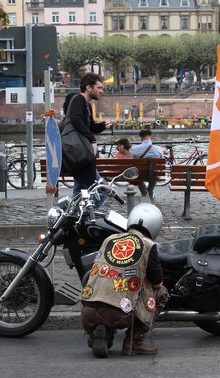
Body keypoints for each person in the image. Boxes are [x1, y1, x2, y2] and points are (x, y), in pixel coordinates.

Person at [80, 203, 168, 358]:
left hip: (88, 310)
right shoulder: (148, 245)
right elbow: (157, 280)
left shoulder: (110, 239)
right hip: (119, 313)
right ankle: (133, 341)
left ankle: (100, 332)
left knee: (101, 280)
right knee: (161, 293)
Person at [63, 73, 112, 208]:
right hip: (81, 154)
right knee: (101, 191)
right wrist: (92, 140)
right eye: (99, 87)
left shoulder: (87, 105)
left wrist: (101, 125)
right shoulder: (78, 99)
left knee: (79, 193)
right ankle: (85, 218)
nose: (101, 90)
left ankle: (74, 220)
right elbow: (75, 119)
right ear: (89, 88)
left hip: (81, 155)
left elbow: (89, 127)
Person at [130, 129, 164, 197]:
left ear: (141, 137)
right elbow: (162, 163)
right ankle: (149, 192)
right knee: (154, 172)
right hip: (154, 174)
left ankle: (145, 193)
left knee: (137, 174)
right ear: (150, 136)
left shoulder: (134, 149)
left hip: (140, 174)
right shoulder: (158, 149)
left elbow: (132, 163)